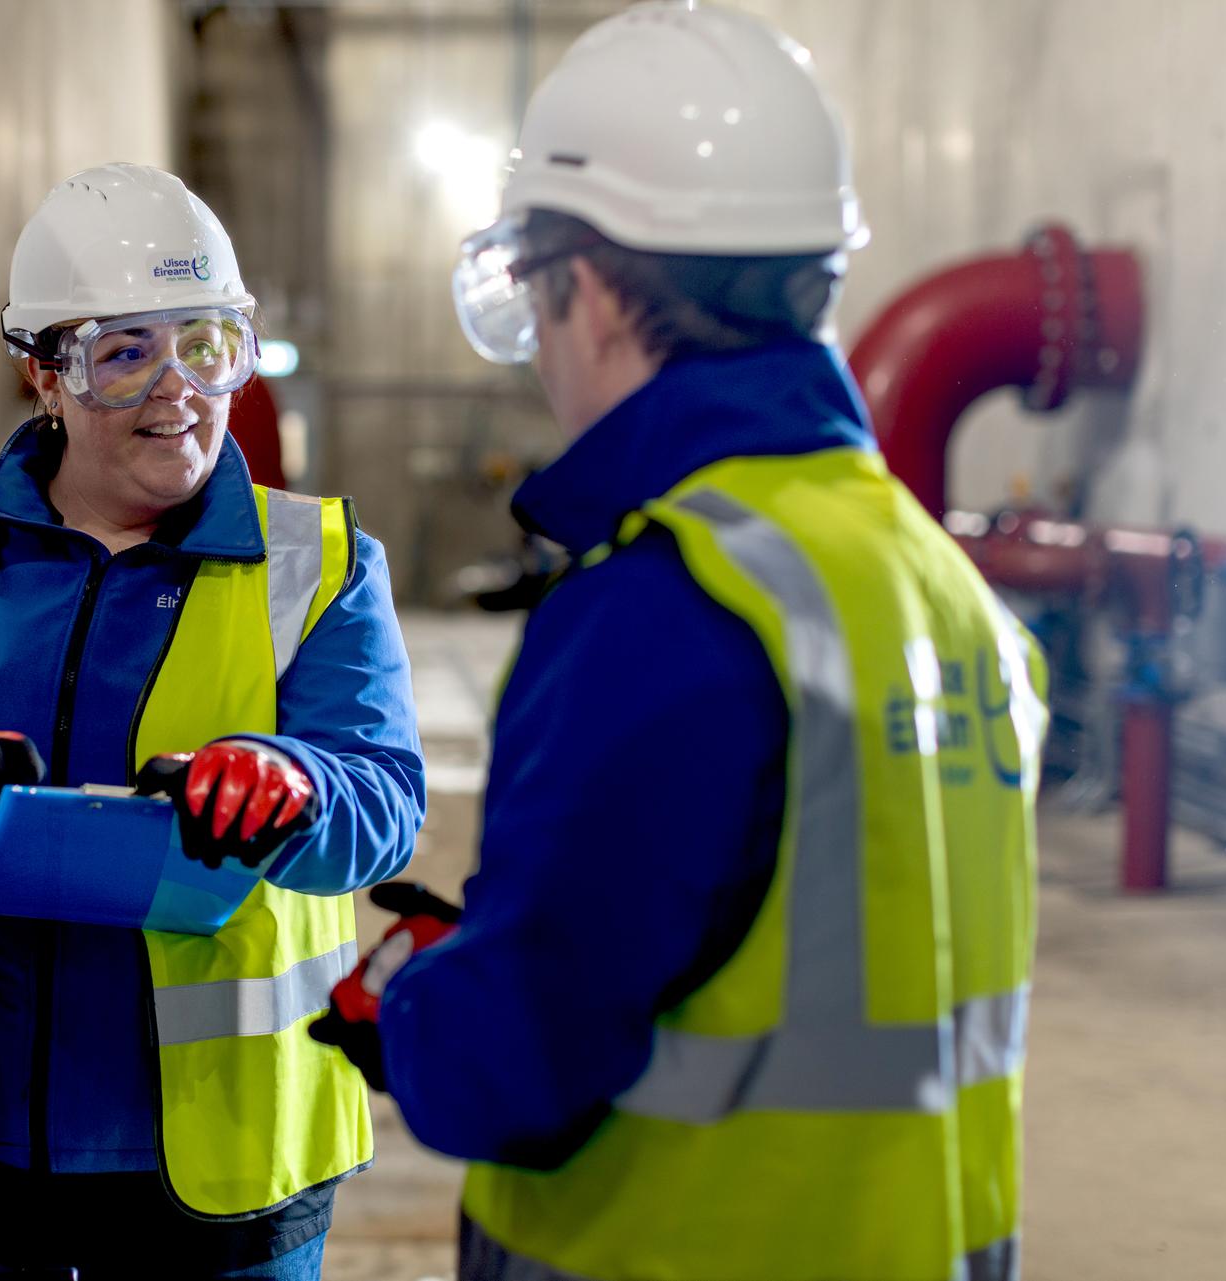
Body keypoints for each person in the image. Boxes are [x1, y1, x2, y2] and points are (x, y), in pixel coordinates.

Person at [307, 6, 1049, 1280]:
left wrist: (417, 1008)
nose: (540, 346)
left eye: (534, 300)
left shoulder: (666, 605)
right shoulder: (936, 583)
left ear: (587, 291)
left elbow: (520, 1068)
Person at [0, 162, 425, 1280]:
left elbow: (386, 805)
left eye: (207, 345)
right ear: (44, 374)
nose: (181, 390)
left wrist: (292, 791)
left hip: (223, 1174)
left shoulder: (316, 565)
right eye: (125, 355)